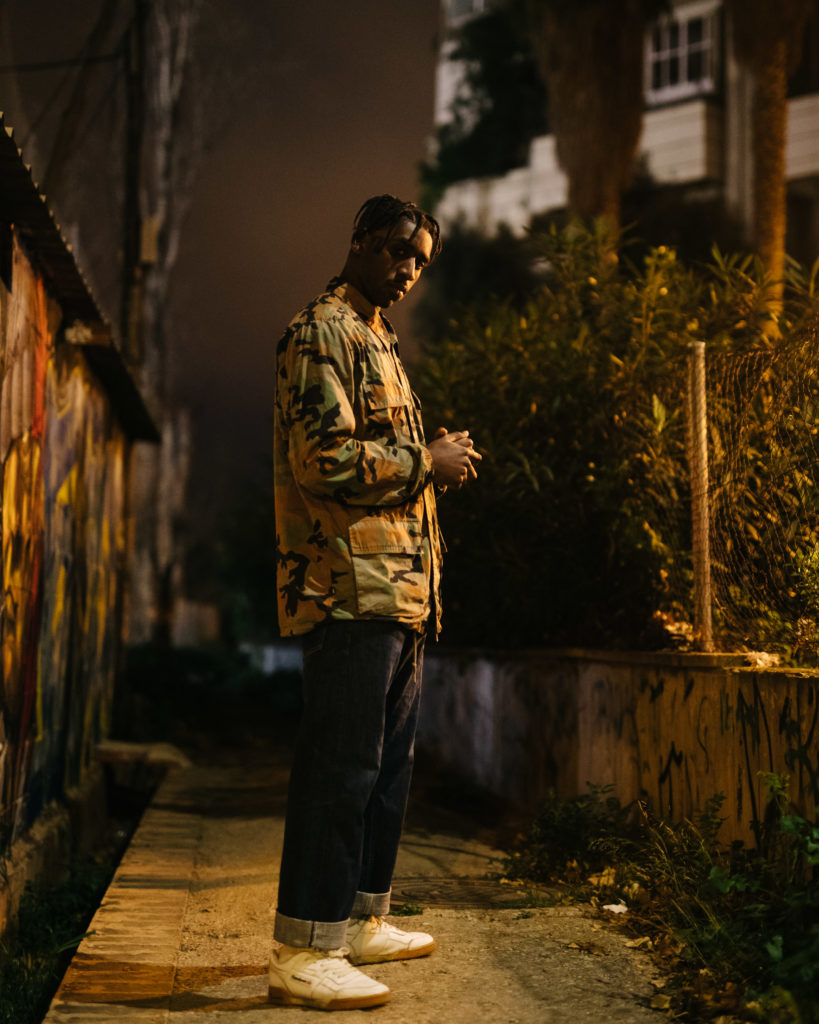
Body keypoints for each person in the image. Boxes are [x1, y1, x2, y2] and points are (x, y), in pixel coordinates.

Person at [269, 194, 480, 1010]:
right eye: (397, 250)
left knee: (386, 771)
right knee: (339, 770)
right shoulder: (321, 332)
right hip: (344, 588)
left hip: (397, 592)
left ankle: (356, 922)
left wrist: (429, 463)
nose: (407, 270)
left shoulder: (376, 340)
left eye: (419, 260)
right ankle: (301, 946)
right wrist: (427, 459)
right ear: (358, 242)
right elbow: (324, 462)